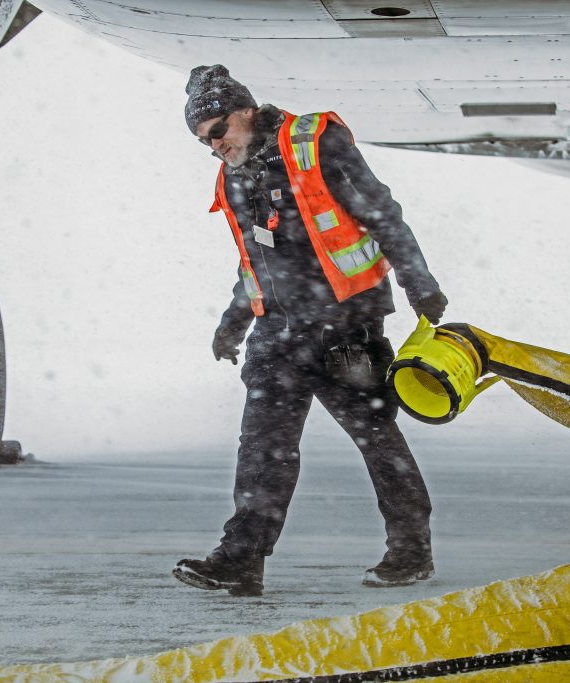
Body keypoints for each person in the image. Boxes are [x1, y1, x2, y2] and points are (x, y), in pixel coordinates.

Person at [173, 65, 449, 597]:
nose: (214, 147)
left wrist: (420, 284)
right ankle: (241, 559)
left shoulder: (315, 145)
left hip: (345, 325)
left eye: (217, 132)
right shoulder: (234, 172)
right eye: (203, 140)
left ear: (246, 112)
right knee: (262, 448)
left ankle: (411, 550)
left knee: (376, 439)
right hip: (278, 331)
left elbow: (382, 215)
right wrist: (232, 323)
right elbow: (254, 258)